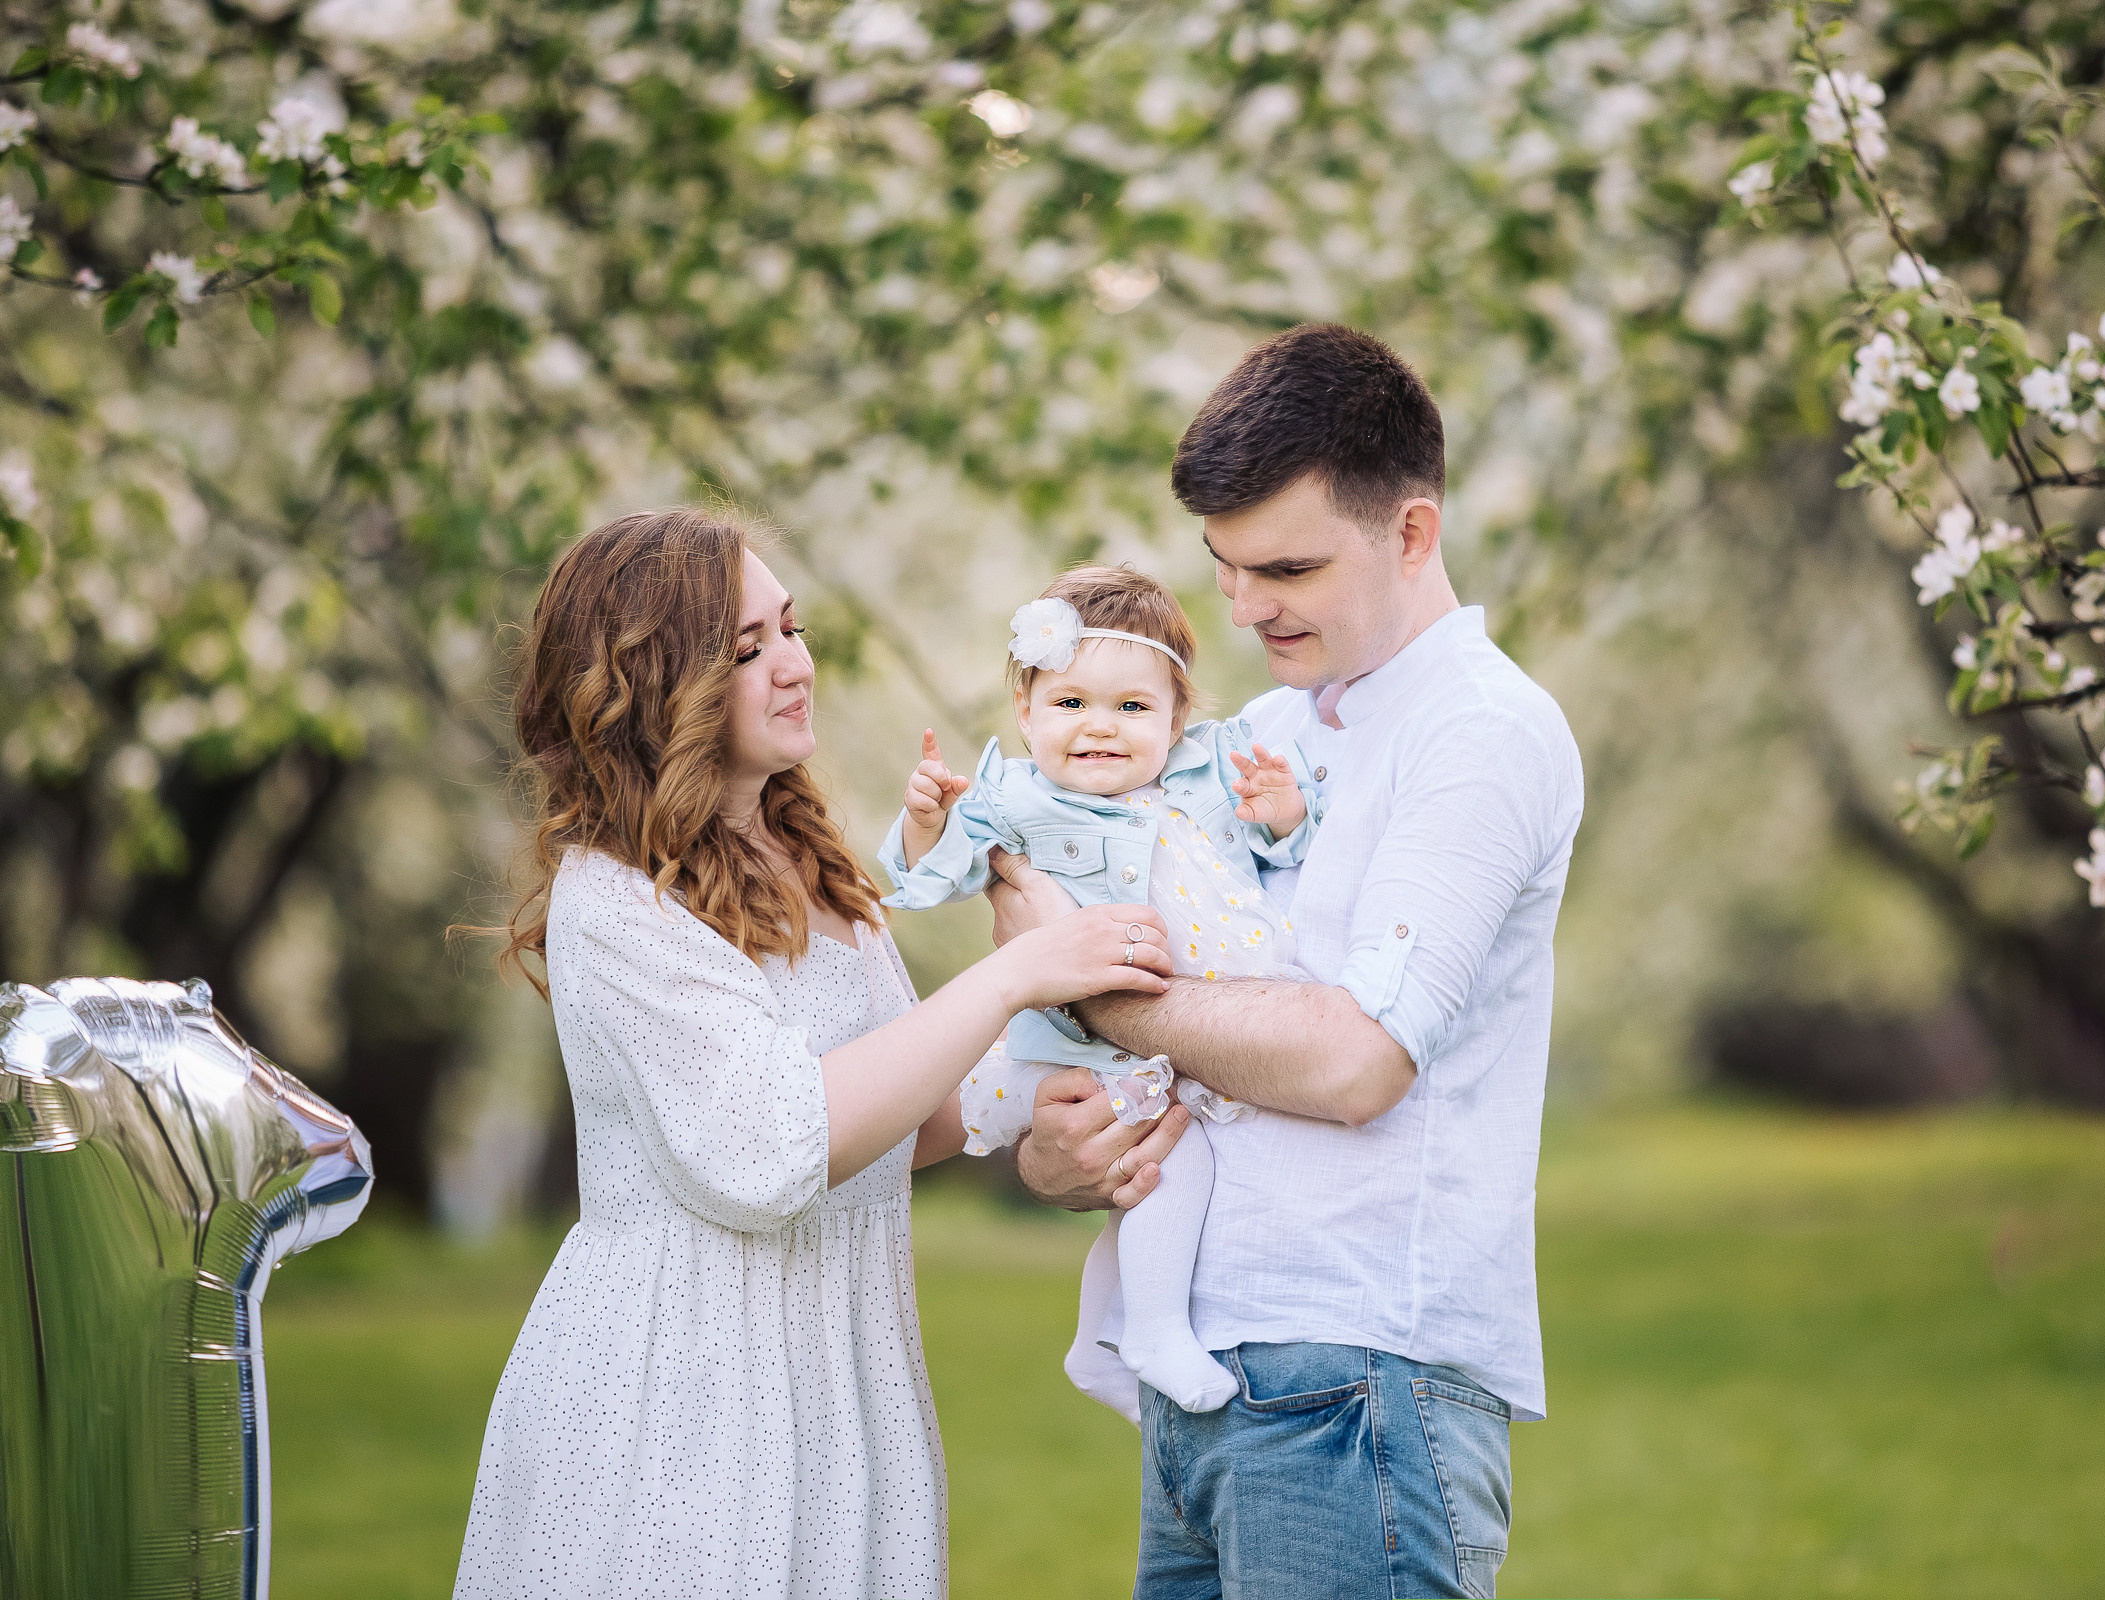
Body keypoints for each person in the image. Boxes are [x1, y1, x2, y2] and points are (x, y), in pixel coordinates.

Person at [451, 509, 1173, 1600]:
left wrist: (1045, 1122)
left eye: (788, 627)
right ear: (658, 689)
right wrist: (1017, 973)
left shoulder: (810, 858)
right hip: (685, 1398)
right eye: (746, 650)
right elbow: (771, 1146)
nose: (793, 664)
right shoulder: (612, 899)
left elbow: (911, 1113)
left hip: (842, 1375)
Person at [990, 325, 1584, 1600]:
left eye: (1288, 567)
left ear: (1411, 534)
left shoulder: (1481, 735)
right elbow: (1104, 1012)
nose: (1247, 605)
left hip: (1361, 1385)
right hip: (1201, 1385)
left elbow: (1359, 1058)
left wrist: (1094, 988)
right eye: (1227, 566)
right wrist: (1064, 1150)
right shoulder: (1242, 737)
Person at [877, 563, 1311, 1417]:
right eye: (1070, 704)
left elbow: (1277, 863)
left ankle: (1092, 1348)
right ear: (1027, 712)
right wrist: (926, 823)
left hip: (1165, 1035)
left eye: (1132, 707)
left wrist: (1287, 816)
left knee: (1138, 1182)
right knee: (1171, 1157)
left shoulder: (1206, 778)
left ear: (1178, 716)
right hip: (1085, 1049)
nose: (1099, 729)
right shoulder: (1018, 799)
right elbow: (933, 877)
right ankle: (1151, 1330)